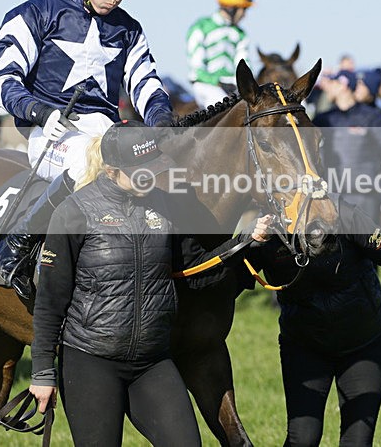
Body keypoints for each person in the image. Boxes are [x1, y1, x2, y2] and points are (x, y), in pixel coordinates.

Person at [29, 120, 273, 446]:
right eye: (141, 170)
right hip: (91, 362)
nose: (150, 176)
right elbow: (50, 300)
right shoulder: (74, 212)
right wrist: (43, 371)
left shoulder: (167, 205)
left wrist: (247, 241)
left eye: (153, 167)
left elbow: (196, 266)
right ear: (112, 170)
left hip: (152, 363)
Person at [0, 0, 174, 298]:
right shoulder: (36, 11)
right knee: (84, 161)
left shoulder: (129, 29)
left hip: (107, 133)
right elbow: (1, 82)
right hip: (54, 132)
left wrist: (162, 123)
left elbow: (146, 85)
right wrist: (40, 111)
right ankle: (19, 244)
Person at [241, 195, 381, 446]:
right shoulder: (264, 229)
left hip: (364, 345)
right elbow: (230, 284)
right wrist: (247, 243)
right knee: (303, 439)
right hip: (304, 346)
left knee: (357, 441)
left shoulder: (344, 214)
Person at [313, 70, 381, 226]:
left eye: (333, 83)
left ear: (344, 86)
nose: (327, 87)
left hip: (365, 190)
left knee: (369, 243)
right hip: (334, 191)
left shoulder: (371, 116)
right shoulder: (324, 119)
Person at [186, 0, 254, 108]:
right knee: (223, 107)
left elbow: (244, 65)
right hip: (205, 85)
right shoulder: (201, 26)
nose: (245, 14)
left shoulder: (241, 34)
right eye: (243, 9)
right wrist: (218, 82)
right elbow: (196, 69)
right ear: (231, 8)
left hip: (232, 87)